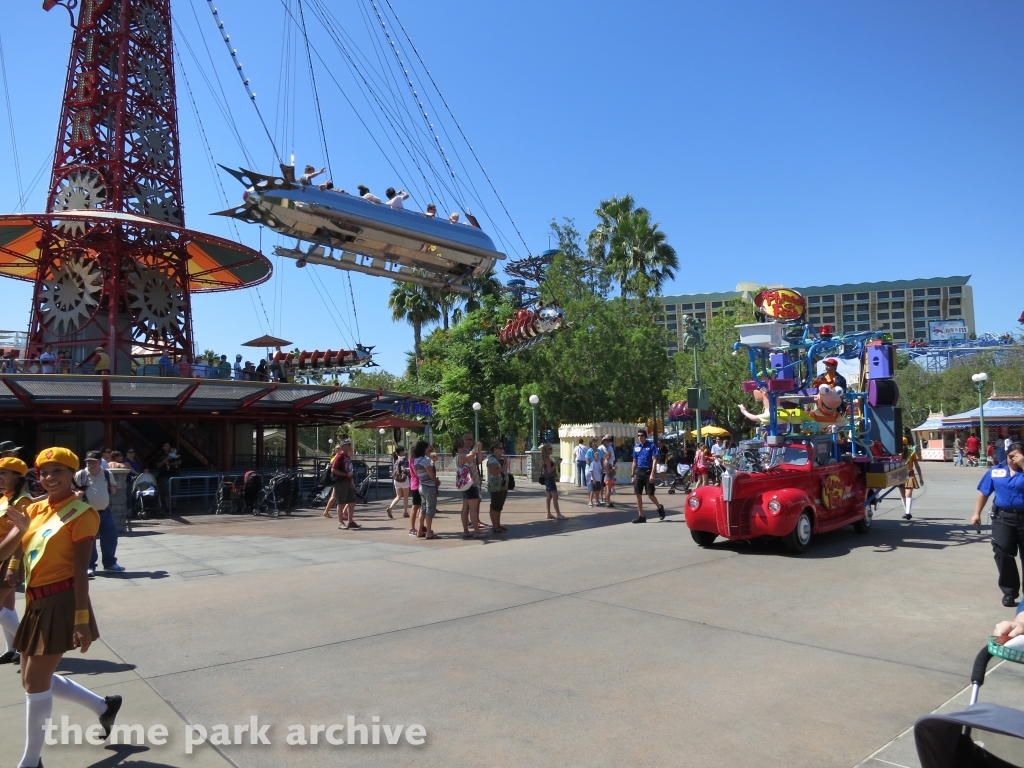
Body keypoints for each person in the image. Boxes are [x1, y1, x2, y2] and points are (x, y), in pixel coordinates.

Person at [8, 447, 123, 768]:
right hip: (34, 600)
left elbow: (80, 572)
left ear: (73, 473)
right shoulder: (37, 508)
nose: (48, 478)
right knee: (32, 680)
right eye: (43, 472)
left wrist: (81, 620)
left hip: (63, 601)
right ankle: (104, 706)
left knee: (35, 684)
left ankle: (31, 762)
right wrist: (14, 562)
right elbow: (22, 545)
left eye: (57, 471)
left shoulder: (82, 513)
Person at [970, 441, 1024, 607]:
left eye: (1017, 457)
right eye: (1010, 456)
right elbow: (984, 492)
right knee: (1002, 552)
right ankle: (1009, 591)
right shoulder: (996, 471)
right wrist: (976, 513)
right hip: (1003, 518)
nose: (1013, 460)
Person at [0, 457, 33, 665]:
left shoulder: (23, 501)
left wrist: (13, 565)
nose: (0, 477)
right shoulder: (5, 498)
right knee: (7, 607)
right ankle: (11, 649)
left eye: (3, 473)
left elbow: (22, 535)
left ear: (16, 476)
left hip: (11, 558)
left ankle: (27, 642)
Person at [75, 451, 124, 575]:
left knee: (110, 537)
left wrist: (113, 489)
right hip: (87, 512)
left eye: (93, 462)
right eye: (88, 462)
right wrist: (75, 495)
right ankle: (90, 566)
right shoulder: (80, 475)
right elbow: (70, 490)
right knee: (89, 540)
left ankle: (110, 564)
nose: (90, 464)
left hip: (105, 512)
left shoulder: (107, 473)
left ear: (99, 461)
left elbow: (113, 486)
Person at [631, 428, 666, 523]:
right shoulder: (636, 447)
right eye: (638, 436)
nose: (639, 437)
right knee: (638, 494)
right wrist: (632, 475)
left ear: (645, 436)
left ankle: (659, 508)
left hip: (648, 471)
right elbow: (634, 461)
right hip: (639, 471)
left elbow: (654, 459)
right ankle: (641, 515)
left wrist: (652, 473)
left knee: (650, 494)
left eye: (641, 436)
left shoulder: (651, 446)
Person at [457, 434, 484, 539]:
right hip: (469, 483)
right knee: (473, 508)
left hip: (469, 483)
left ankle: (466, 531)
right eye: (468, 440)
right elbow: (471, 457)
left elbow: (478, 461)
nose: (470, 442)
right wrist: (475, 448)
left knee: (466, 507)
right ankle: (476, 532)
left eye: (471, 440)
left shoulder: (467, 452)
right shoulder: (461, 455)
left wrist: (479, 450)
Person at [412, 441, 438, 539]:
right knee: (430, 509)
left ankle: (420, 531)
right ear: (424, 449)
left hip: (421, 486)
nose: (429, 449)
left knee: (423, 509)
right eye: (428, 448)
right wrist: (436, 481)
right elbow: (431, 475)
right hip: (429, 487)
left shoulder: (416, 460)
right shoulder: (425, 460)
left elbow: (417, 473)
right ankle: (429, 532)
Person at [332, 440, 359, 530]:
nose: (350, 446)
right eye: (348, 445)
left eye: (350, 445)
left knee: (352, 502)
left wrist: (351, 481)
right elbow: (333, 470)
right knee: (341, 503)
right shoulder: (339, 457)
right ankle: (340, 522)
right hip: (341, 482)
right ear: (343, 447)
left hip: (348, 481)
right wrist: (345, 475)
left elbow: (349, 470)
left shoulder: (347, 456)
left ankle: (350, 521)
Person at [486, 442, 509, 534]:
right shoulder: (492, 460)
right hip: (495, 486)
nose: (502, 450)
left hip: (502, 486)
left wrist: (505, 461)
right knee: (495, 506)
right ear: (494, 449)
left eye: (502, 448)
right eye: (500, 448)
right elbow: (493, 472)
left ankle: (498, 524)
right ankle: (494, 526)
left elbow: (504, 469)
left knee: (499, 506)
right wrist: (502, 467)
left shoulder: (500, 459)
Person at [899, 437, 924, 520]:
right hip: (903, 474)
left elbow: (917, 465)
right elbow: (917, 466)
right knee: (905, 494)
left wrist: (920, 477)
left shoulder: (910, 453)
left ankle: (907, 512)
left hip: (907, 474)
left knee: (906, 494)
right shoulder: (900, 453)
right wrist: (920, 477)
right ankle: (907, 512)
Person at [154, 442, 182, 513]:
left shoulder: (174, 452)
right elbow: (158, 465)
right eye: (166, 446)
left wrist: (170, 463)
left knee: (175, 491)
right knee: (166, 492)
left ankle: (174, 506)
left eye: (169, 445)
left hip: (175, 474)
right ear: (163, 447)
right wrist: (166, 459)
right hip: (164, 475)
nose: (168, 447)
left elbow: (179, 462)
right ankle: (167, 506)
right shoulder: (160, 455)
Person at [540, 444, 565, 521]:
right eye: (550, 449)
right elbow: (549, 470)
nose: (551, 450)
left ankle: (548, 513)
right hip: (550, 479)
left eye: (551, 448)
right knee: (555, 496)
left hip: (548, 479)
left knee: (549, 496)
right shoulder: (547, 459)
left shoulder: (545, 458)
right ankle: (558, 514)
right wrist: (556, 464)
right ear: (546, 451)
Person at [385, 446, 410, 520]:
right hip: (403, 478)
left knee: (398, 496)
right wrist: (408, 469)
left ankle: (390, 508)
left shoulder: (395, 459)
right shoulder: (404, 459)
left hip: (396, 478)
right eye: (403, 450)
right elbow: (403, 469)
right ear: (401, 451)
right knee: (406, 496)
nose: (404, 452)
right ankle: (405, 512)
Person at [407, 447, 421, 534]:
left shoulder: (415, 460)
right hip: (416, 485)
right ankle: (412, 528)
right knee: (415, 507)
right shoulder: (413, 460)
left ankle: (421, 526)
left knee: (420, 507)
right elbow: (416, 473)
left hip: (418, 484)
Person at [601, 435, 617, 508]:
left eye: (608, 440)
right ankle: (607, 502)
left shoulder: (610, 448)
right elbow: (608, 470)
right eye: (606, 440)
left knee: (608, 489)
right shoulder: (601, 448)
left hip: (608, 473)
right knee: (607, 489)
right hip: (607, 474)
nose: (607, 442)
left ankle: (607, 501)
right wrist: (613, 469)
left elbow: (613, 458)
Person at [589, 440, 604, 507]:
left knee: (598, 490)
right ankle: (590, 501)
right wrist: (594, 479)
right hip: (594, 479)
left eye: (598, 456)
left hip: (598, 478)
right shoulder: (592, 463)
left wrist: (601, 471)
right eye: (596, 456)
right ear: (594, 457)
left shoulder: (599, 463)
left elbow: (600, 469)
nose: (597, 457)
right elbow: (591, 471)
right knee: (593, 490)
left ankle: (597, 501)